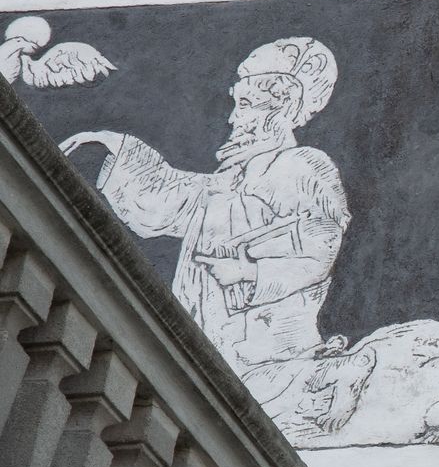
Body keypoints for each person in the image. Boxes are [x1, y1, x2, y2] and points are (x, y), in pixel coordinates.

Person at [60, 37, 349, 385]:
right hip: (213, 351)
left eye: (246, 104)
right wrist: (113, 144)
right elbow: (169, 198)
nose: (233, 118)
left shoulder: (302, 166)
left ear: (282, 106)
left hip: (272, 356)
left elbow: (320, 248)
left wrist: (247, 272)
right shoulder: (227, 182)